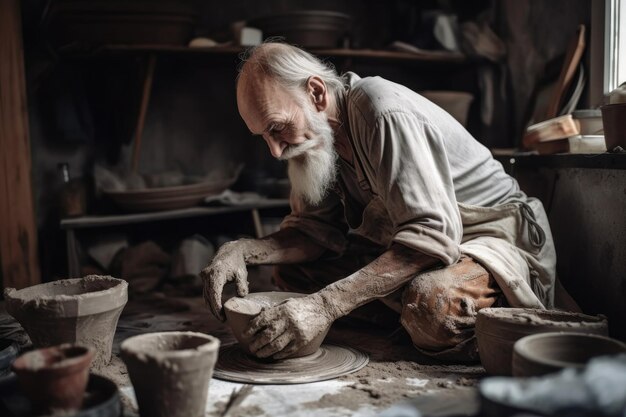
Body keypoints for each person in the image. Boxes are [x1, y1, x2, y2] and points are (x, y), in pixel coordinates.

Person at [201, 41, 562, 362]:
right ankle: (408, 318)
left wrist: (325, 305)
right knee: (293, 275)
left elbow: (430, 236)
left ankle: (430, 320)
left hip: (491, 241)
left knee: (431, 306)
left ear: (315, 93)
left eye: (277, 127)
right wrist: (244, 249)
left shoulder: (381, 109)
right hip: (416, 248)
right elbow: (313, 233)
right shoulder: (313, 138)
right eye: (263, 136)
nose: (276, 150)